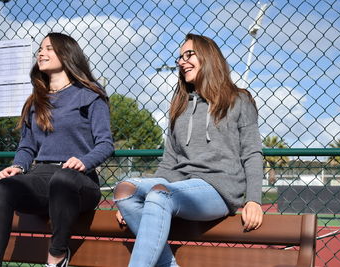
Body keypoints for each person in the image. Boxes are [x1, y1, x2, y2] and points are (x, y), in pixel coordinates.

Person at [113, 33, 264, 267]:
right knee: (126, 190)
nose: (182, 62)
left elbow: (252, 152)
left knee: (159, 193)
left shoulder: (239, 100)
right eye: (179, 58)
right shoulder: (180, 106)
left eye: (189, 54)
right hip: (179, 186)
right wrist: (134, 203)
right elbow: (168, 162)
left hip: (219, 190)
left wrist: (253, 200)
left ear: (208, 57)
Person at [0, 32, 114, 267]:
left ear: (67, 53)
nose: (41, 53)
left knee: (63, 178)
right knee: (3, 187)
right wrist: (18, 166)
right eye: (40, 49)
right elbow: (27, 146)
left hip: (78, 180)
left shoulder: (91, 94)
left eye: (49, 48)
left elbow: (105, 144)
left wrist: (84, 161)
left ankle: (57, 255)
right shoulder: (36, 100)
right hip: (41, 179)